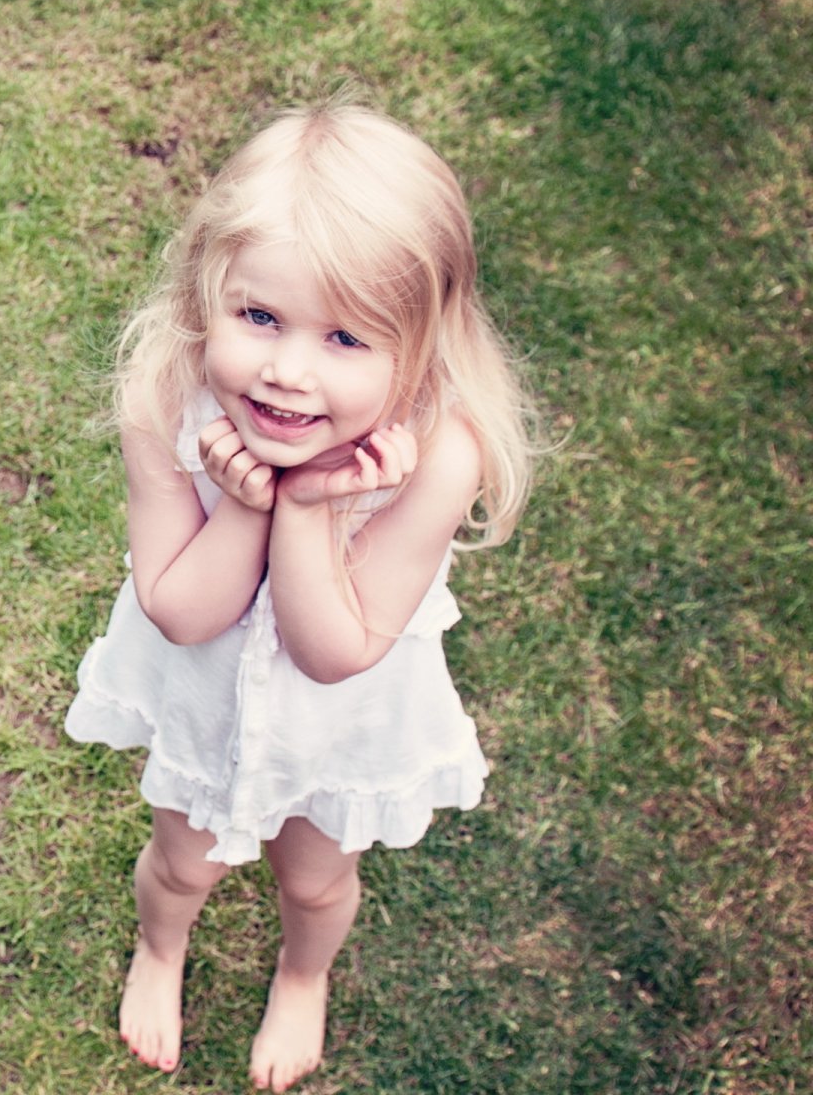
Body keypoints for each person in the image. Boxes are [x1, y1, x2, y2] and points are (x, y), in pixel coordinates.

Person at [65, 102, 535, 1090]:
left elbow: (334, 652)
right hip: (204, 691)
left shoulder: (441, 455)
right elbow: (184, 613)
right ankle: (161, 950)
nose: (287, 371)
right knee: (182, 863)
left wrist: (313, 510)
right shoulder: (164, 398)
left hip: (345, 714)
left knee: (317, 879)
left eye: (346, 339)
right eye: (261, 318)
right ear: (208, 289)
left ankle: (303, 972)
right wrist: (244, 505)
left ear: (421, 346)